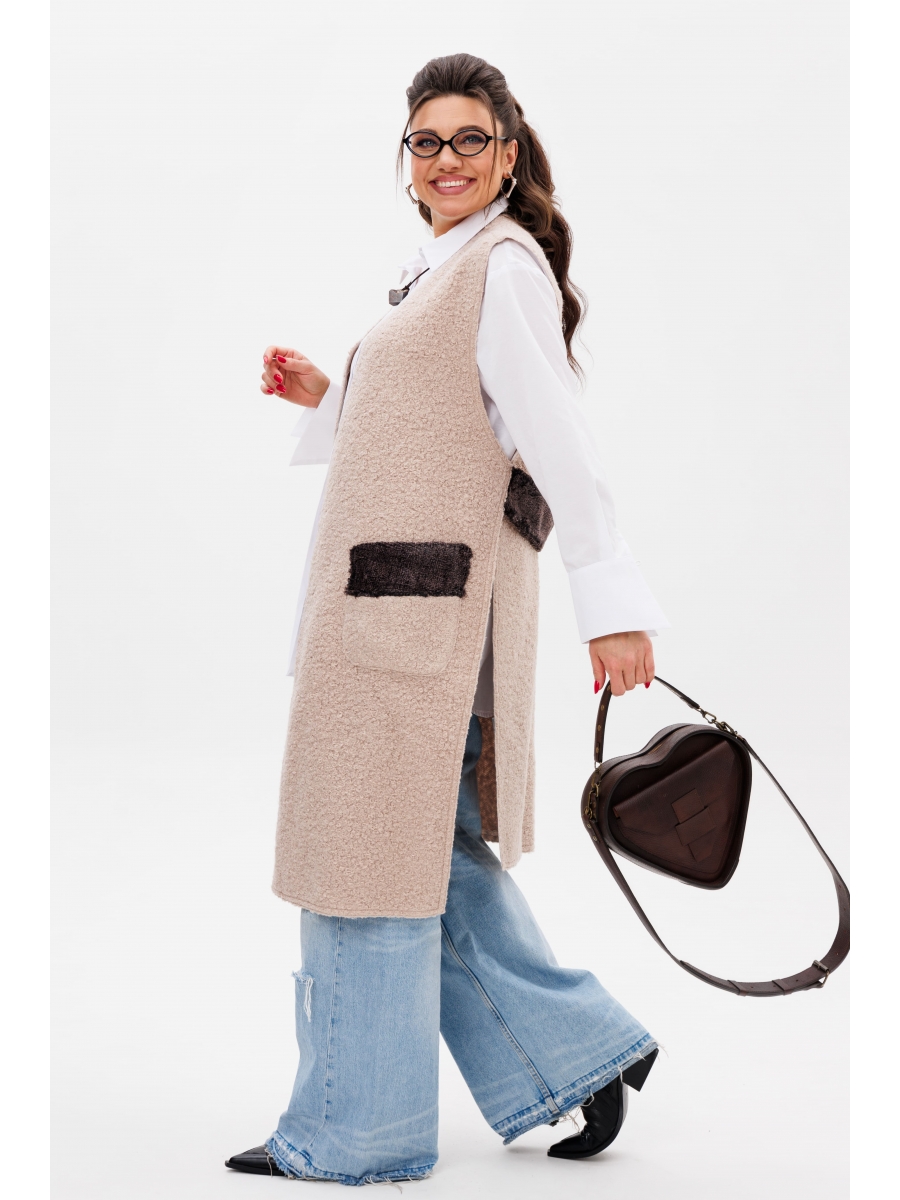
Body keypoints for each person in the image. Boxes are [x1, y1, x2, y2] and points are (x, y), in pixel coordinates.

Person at [226, 52, 669, 1186]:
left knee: (365, 856)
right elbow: (447, 422)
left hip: (418, 626)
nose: (447, 159)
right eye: (427, 142)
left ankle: (357, 1129)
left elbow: (558, 442)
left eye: (470, 139)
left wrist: (612, 604)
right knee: (418, 852)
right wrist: (332, 392)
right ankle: (578, 1051)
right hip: (398, 615)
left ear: (508, 156)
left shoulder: (500, 268)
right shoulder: (439, 271)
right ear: (407, 160)